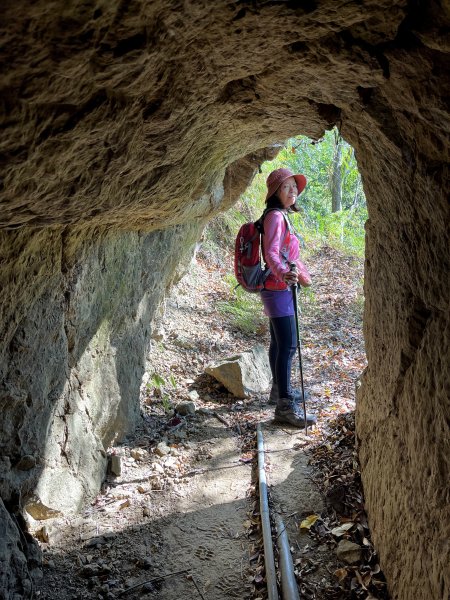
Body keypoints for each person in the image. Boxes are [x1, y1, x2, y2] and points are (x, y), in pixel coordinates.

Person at [260, 167, 317, 428]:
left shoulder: (280, 215)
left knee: (279, 343)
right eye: (286, 187)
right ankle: (285, 407)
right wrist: (285, 275)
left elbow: (286, 254)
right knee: (289, 345)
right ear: (275, 192)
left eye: (294, 185)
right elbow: (272, 254)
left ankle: (279, 391)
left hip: (277, 287)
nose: (293, 190)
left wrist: (299, 273)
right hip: (278, 288)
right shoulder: (275, 217)